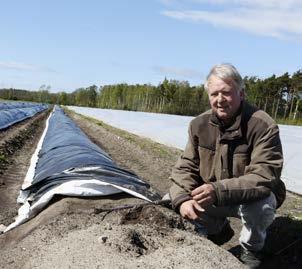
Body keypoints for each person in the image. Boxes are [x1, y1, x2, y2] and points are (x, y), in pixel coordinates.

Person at [169, 63, 286, 268]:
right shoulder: (199, 125)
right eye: (214, 94)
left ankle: (251, 250)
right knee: (172, 200)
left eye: (226, 93)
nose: (220, 100)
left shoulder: (262, 125)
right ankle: (216, 230)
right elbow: (185, 166)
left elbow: (265, 174)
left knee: (263, 205)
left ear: (241, 94)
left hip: (245, 198)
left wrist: (218, 190)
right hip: (213, 194)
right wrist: (182, 199)